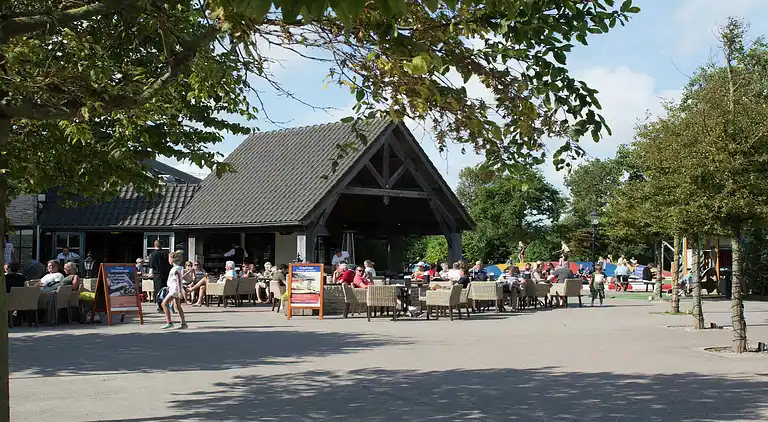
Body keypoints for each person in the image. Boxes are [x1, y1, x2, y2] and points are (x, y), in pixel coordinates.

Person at [161, 250, 188, 330]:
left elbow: (178, 280)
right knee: (177, 306)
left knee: (164, 304)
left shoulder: (175, 269)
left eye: (169, 258)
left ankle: (169, 322)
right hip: (174, 288)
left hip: (175, 289)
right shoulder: (179, 268)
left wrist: (179, 291)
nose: (168, 260)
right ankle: (183, 323)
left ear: (172, 259)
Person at [148, 240, 170, 313]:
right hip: (166, 274)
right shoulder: (166, 253)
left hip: (157, 274)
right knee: (166, 290)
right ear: (162, 245)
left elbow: (151, 265)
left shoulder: (153, 254)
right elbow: (170, 264)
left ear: (154, 246)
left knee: (158, 290)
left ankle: (160, 307)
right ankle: (166, 305)